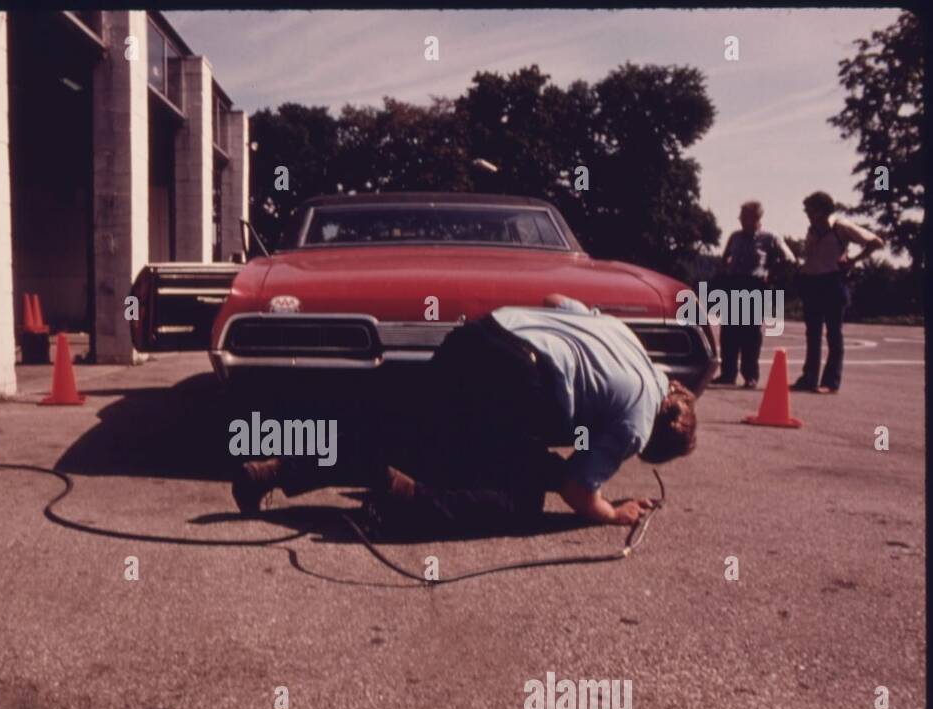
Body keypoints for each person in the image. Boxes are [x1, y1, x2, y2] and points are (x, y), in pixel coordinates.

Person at [231, 295, 697, 534]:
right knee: (521, 498)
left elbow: (557, 300)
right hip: (516, 378)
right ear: (655, 440)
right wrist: (611, 512)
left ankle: (272, 470)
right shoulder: (639, 420)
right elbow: (577, 487)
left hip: (479, 337)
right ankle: (409, 499)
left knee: (405, 428)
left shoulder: (625, 335)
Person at [792, 191, 883, 394]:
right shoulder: (812, 230)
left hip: (832, 282)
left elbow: (876, 241)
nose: (807, 213)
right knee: (812, 333)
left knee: (834, 333)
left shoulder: (840, 226)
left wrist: (853, 260)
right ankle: (809, 377)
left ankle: (830, 381)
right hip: (812, 282)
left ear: (823, 210)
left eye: (811, 209)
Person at [711, 201, 796, 389]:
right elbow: (724, 259)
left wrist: (771, 274)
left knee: (750, 333)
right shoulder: (735, 237)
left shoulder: (770, 238)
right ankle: (728, 373)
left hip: (755, 285)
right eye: (741, 216)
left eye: (745, 216)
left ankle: (750, 375)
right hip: (734, 285)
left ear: (757, 218)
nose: (741, 220)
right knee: (729, 332)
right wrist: (725, 271)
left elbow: (790, 259)